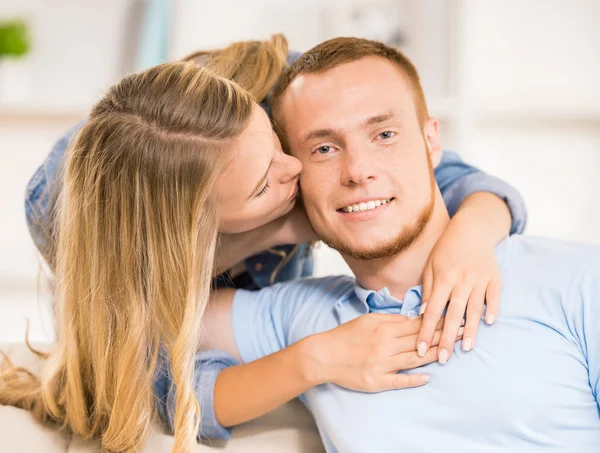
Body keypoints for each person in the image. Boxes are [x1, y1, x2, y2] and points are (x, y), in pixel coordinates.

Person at [1, 37, 524, 453]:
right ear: (200, 231)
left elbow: (430, 165)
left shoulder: (285, 91)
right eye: (262, 185)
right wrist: (313, 357)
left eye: (277, 142)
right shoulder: (108, 256)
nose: (298, 168)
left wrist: (470, 236)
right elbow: (178, 395)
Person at [198, 37, 600, 452]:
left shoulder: (580, 281)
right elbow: (147, 335)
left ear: (431, 141)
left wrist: (476, 228)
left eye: (384, 134)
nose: (358, 170)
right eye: (323, 148)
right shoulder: (302, 320)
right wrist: (311, 358)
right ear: (293, 180)